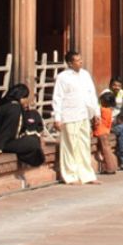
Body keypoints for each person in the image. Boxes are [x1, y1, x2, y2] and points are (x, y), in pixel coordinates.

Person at [51, 50, 100, 185]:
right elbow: (58, 98)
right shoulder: (63, 77)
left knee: (84, 145)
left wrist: (96, 112)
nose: (81, 62)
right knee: (70, 145)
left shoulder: (85, 75)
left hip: (84, 113)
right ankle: (70, 175)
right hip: (69, 115)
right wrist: (57, 117)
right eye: (77, 60)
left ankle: (87, 175)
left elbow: (91, 94)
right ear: (70, 63)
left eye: (80, 59)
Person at [0, 83, 46, 169]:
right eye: (26, 97)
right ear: (21, 97)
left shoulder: (8, 104)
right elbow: (7, 129)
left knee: (34, 139)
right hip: (2, 143)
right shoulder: (14, 108)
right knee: (33, 142)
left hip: (2, 141)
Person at [93, 90, 119, 175]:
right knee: (108, 149)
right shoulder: (109, 110)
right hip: (106, 131)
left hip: (101, 132)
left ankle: (110, 168)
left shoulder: (102, 110)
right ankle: (113, 166)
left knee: (106, 150)